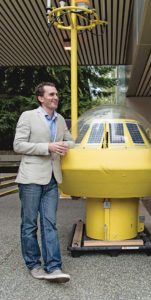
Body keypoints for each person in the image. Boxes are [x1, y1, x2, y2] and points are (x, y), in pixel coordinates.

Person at [14, 82, 75, 283]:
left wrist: (65, 145)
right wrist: (46, 147)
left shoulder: (59, 120)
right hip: (31, 178)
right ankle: (33, 264)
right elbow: (18, 145)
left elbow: (71, 140)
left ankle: (54, 267)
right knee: (30, 224)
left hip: (52, 178)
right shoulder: (28, 116)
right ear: (41, 98)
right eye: (51, 94)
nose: (55, 97)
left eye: (56, 94)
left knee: (50, 223)